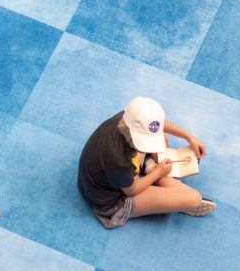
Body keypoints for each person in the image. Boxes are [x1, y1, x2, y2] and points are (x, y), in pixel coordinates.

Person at [78, 96, 216, 228]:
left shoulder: (126, 118)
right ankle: (157, 175)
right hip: (113, 202)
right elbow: (131, 191)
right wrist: (157, 173)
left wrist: (189, 137)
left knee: (161, 133)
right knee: (193, 198)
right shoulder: (119, 159)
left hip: (108, 178)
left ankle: (150, 166)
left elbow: (159, 126)